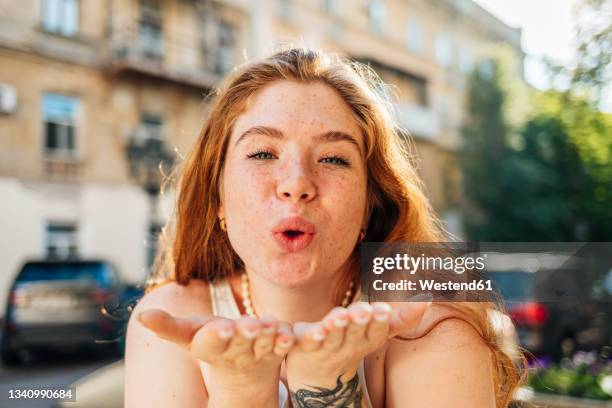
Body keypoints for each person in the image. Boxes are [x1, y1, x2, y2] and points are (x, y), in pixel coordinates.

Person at [124, 48, 524, 407]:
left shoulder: (430, 319)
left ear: (370, 205)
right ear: (218, 201)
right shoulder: (169, 320)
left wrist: (327, 388)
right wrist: (239, 394)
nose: (297, 184)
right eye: (263, 152)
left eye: (333, 159)